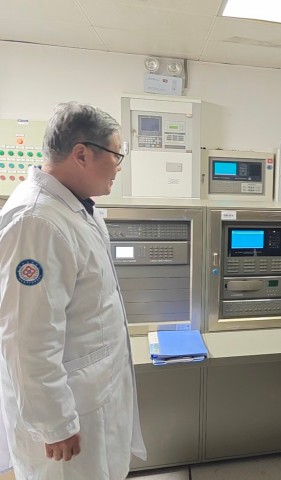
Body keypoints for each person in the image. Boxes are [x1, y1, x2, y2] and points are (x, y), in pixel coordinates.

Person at [0, 102, 146, 479]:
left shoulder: (75, 209)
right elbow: (26, 339)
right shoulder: (36, 222)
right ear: (81, 154)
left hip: (92, 394)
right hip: (69, 413)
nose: (119, 166)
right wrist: (55, 423)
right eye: (116, 155)